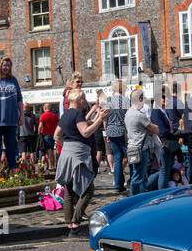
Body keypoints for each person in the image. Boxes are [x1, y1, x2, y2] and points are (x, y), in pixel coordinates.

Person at [55, 88, 106, 234]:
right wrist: (100, 119)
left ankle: (69, 225)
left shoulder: (65, 115)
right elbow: (85, 132)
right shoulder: (77, 113)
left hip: (66, 155)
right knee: (88, 190)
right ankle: (75, 223)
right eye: (83, 98)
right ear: (78, 100)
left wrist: (66, 147)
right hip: (78, 156)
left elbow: (56, 135)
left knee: (69, 191)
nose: (85, 101)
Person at [124, 87, 157, 196]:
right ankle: (134, 198)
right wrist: (155, 126)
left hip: (132, 147)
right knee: (138, 176)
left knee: (139, 174)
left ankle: (141, 195)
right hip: (140, 149)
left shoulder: (128, 113)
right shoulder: (139, 115)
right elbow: (154, 129)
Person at [104, 80, 129, 193]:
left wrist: (106, 131)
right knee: (130, 156)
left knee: (117, 158)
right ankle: (132, 181)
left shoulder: (108, 100)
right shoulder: (126, 101)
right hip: (122, 130)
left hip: (111, 130)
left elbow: (104, 118)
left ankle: (118, 185)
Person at [37, 103, 59, 171]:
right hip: (53, 134)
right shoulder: (55, 116)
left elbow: (40, 126)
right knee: (52, 150)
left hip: (45, 135)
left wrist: (39, 133)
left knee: (49, 151)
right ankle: (53, 165)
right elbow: (58, 125)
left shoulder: (43, 116)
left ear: (45, 108)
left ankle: (50, 166)